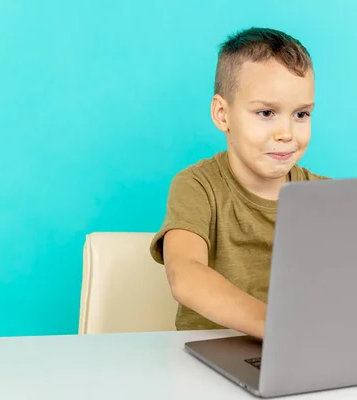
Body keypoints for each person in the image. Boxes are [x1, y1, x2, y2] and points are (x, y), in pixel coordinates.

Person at [149, 27, 328, 339]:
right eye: (266, 112)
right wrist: (275, 327)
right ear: (222, 114)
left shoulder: (326, 196)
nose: (286, 133)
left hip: (300, 350)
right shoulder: (197, 186)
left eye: (301, 114)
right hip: (212, 352)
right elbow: (186, 275)